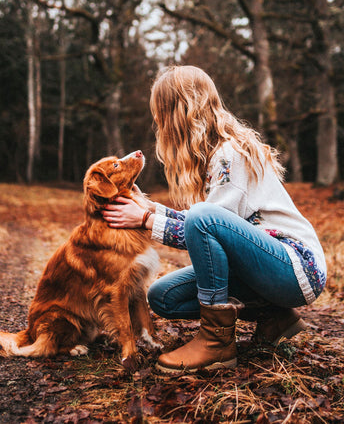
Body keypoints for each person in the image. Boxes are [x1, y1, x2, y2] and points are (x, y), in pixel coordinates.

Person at [102, 65, 327, 373]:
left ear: (180, 112)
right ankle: (275, 317)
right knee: (163, 296)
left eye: (161, 114)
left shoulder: (228, 154)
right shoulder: (213, 156)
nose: (158, 124)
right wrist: (151, 208)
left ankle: (216, 341)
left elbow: (204, 226)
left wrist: (144, 219)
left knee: (202, 217)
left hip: (295, 267)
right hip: (267, 267)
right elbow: (207, 224)